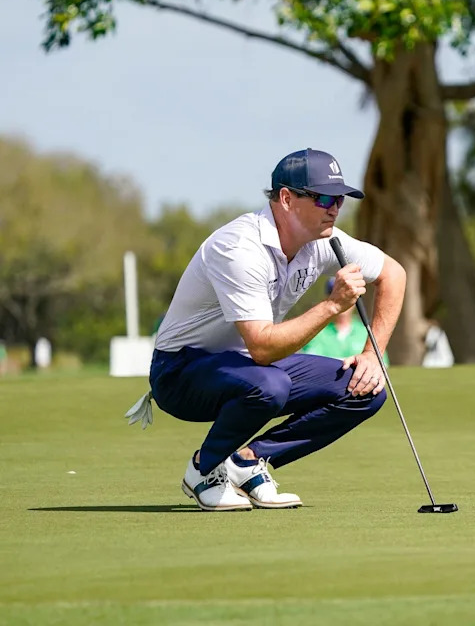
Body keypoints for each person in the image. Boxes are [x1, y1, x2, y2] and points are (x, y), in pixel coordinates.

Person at [126, 148, 406, 512]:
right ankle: (203, 469)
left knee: (364, 388)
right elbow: (262, 348)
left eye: (339, 198)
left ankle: (246, 460)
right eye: (323, 197)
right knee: (271, 385)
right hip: (180, 373)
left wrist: (372, 355)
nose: (334, 207)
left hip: (248, 368)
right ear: (287, 199)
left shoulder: (324, 240)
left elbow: (393, 274)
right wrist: (333, 306)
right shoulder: (239, 248)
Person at [301, 278, 388, 365]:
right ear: (327, 299)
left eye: (348, 295)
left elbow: (381, 364)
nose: (342, 300)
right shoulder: (315, 333)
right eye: (336, 295)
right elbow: (311, 364)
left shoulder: (367, 332)